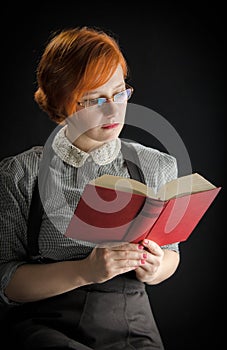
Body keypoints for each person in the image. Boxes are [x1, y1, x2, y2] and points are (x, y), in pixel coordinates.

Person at [0, 26, 180, 350]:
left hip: (132, 325)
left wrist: (154, 268)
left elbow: (171, 256)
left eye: (119, 93)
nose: (113, 110)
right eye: (95, 100)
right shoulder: (21, 174)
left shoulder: (157, 166)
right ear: (61, 106)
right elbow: (7, 281)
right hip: (45, 326)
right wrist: (86, 271)